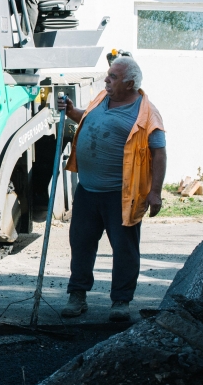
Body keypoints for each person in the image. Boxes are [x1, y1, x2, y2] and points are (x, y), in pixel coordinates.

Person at [58, 57, 166, 322]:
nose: (106, 80)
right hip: (88, 190)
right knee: (81, 244)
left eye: (113, 77)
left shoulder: (146, 113)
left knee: (125, 249)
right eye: (108, 75)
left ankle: (121, 301)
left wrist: (155, 192)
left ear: (129, 83)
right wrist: (72, 112)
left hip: (122, 195)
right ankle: (77, 296)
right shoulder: (101, 99)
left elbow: (160, 153)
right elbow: (90, 118)